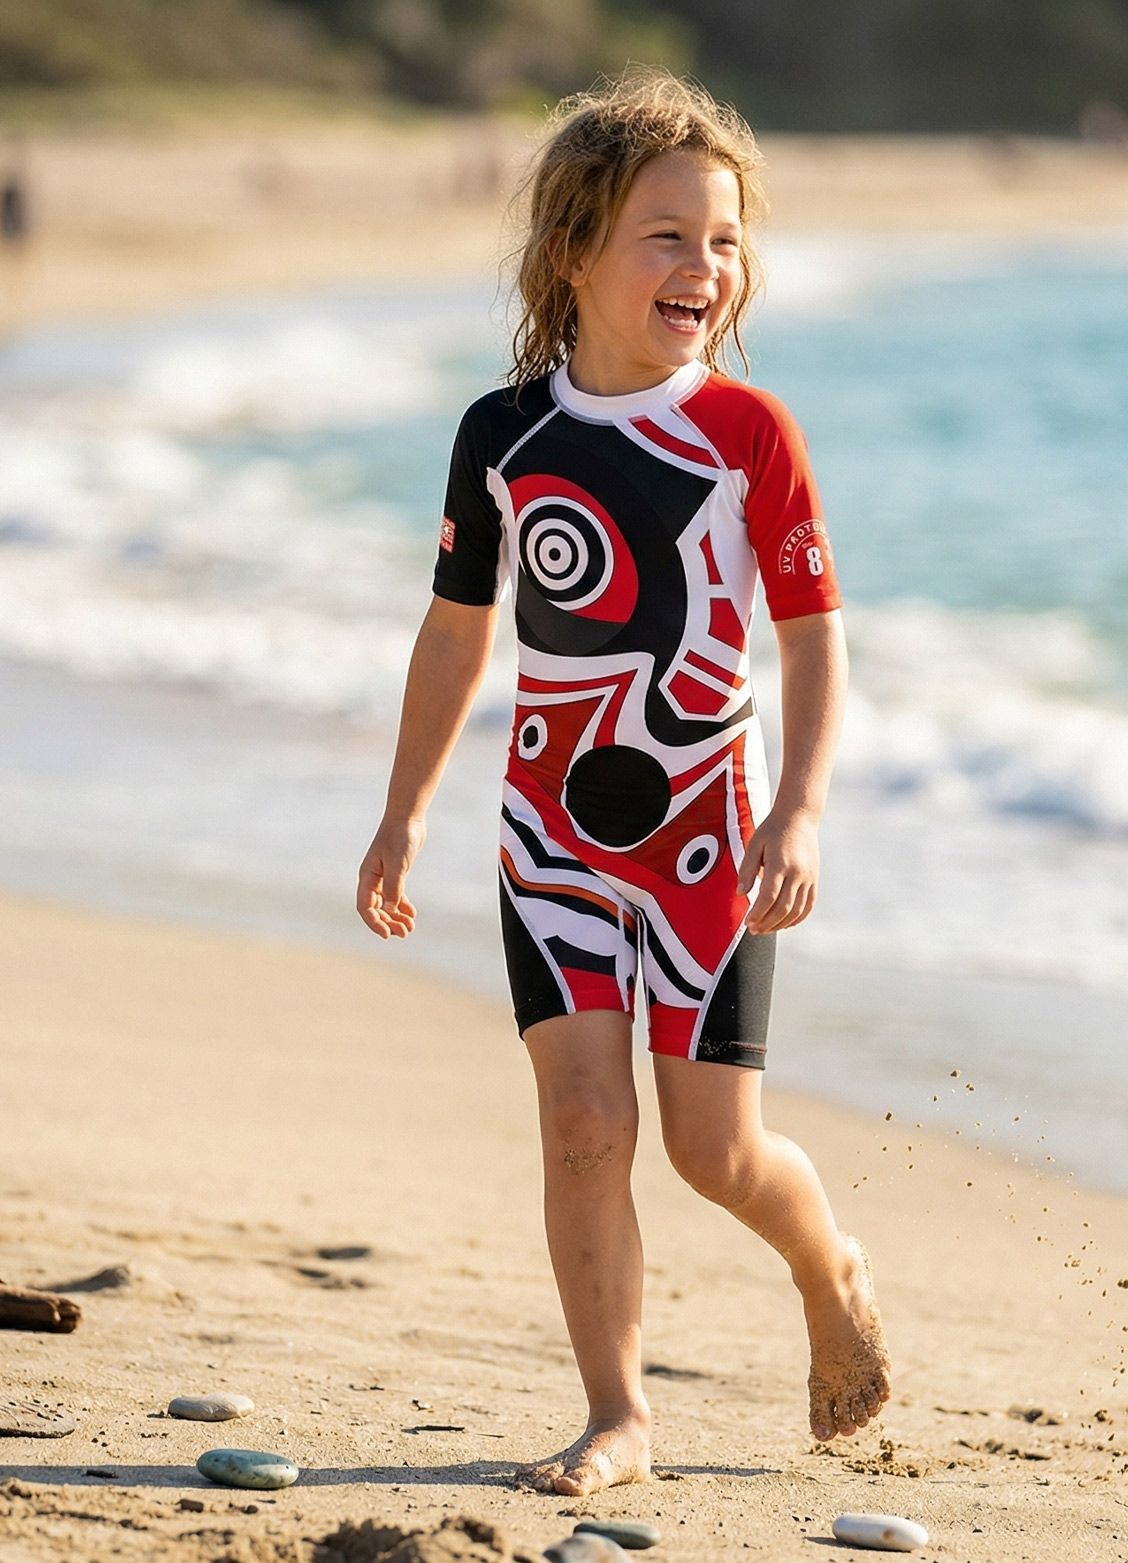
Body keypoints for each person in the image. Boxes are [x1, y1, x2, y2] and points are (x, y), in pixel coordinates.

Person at [357, 67, 891, 1498]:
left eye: (720, 241)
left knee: (714, 1153)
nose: (703, 269)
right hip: (550, 843)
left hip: (709, 842)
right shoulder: (502, 436)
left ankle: (825, 1260)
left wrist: (801, 807)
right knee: (584, 1126)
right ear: (571, 255)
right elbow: (459, 628)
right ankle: (618, 1416)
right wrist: (405, 809)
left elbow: (811, 637)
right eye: (666, 236)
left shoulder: (749, 436)